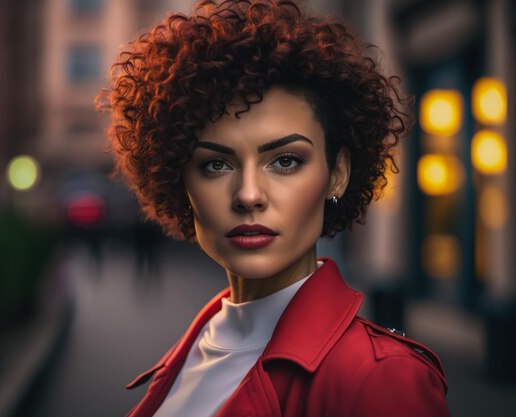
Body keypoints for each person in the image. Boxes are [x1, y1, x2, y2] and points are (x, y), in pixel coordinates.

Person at [98, 0, 450, 416]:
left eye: (285, 160)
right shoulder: (196, 347)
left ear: (337, 173)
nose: (248, 194)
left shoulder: (382, 380)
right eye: (216, 164)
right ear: (180, 181)